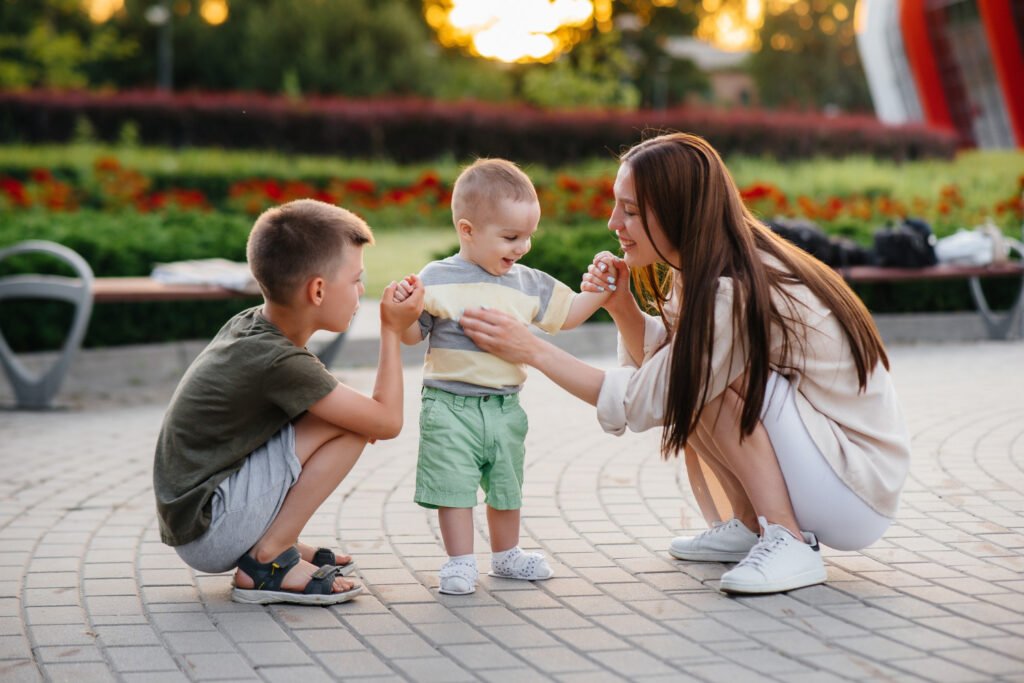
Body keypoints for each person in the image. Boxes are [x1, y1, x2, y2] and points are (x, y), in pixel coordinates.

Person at [459, 133, 911, 595]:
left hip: (856, 488)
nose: (614, 221)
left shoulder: (732, 287)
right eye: (618, 206)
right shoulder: (703, 268)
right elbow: (663, 365)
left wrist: (531, 349)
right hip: (828, 467)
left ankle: (787, 538)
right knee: (695, 370)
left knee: (702, 378)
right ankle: (752, 525)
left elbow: (648, 396)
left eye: (631, 211)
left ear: (679, 212)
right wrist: (623, 307)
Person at [154, 198, 424, 606]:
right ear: (317, 290)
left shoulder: (253, 325)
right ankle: (268, 560)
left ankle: (280, 540)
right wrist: (391, 330)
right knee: (354, 424)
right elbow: (385, 421)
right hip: (209, 529)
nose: (361, 291)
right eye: (355, 280)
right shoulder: (277, 361)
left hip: (198, 514)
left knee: (339, 415)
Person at [392, 158, 611, 595]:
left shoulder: (527, 283)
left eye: (528, 236)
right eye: (511, 237)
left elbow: (568, 316)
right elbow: (414, 336)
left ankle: (506, 555)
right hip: (449, 406)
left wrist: (601, 291)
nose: (523, 247)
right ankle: (459, 562)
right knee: (453, 486)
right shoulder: (437, 278)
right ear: (467, 230)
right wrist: (403, 312)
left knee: (506, 483)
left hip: (505, 406)